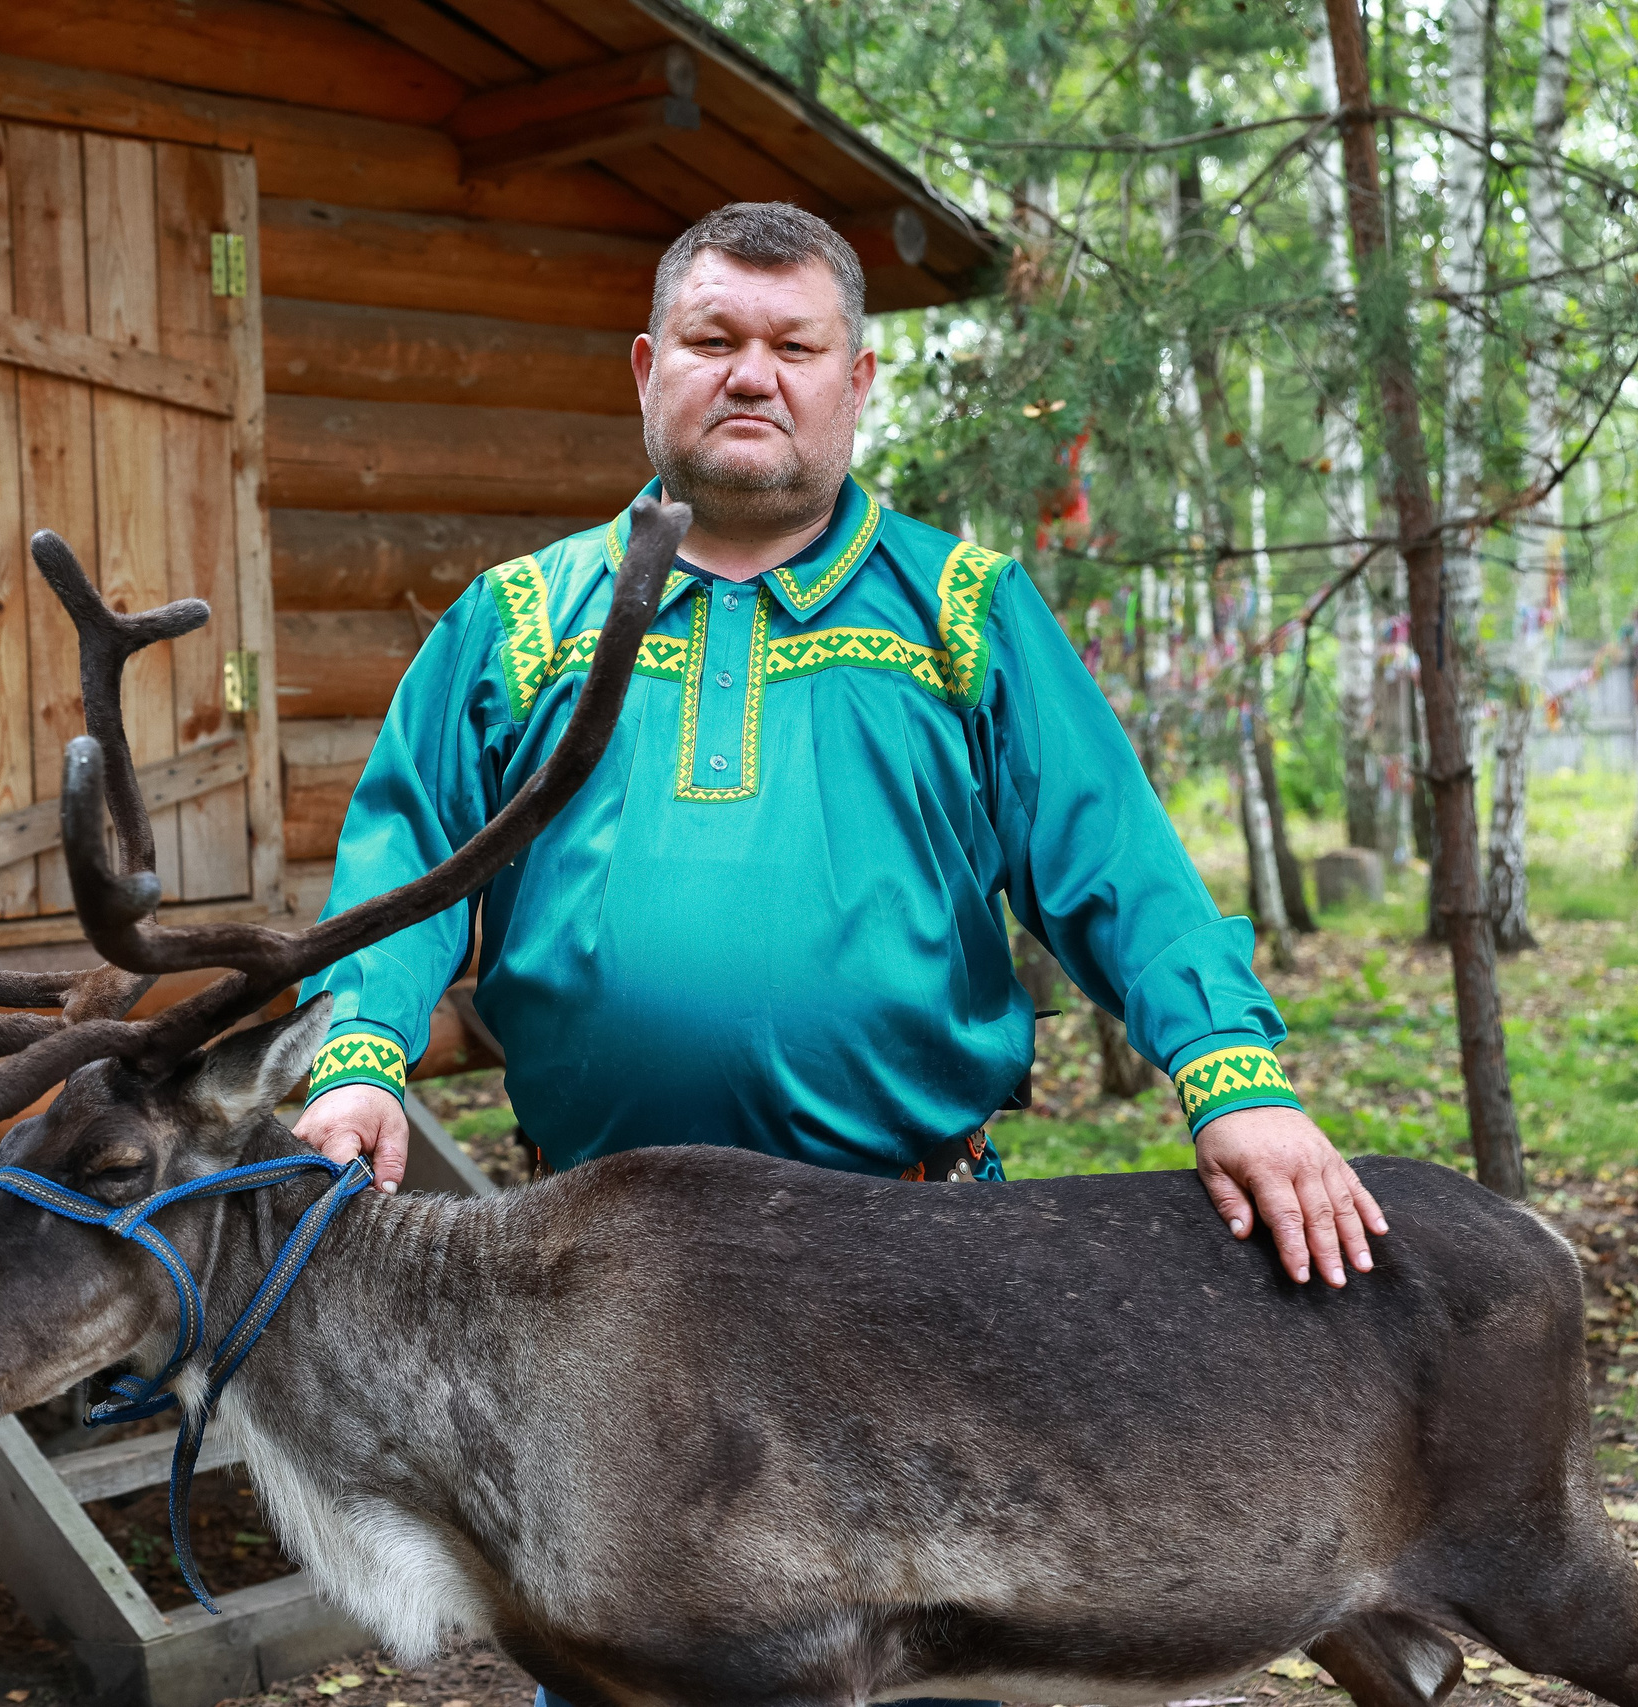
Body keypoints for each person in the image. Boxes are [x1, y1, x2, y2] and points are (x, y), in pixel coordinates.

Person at [291, 198, 1388, 1705]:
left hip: (910, 1264)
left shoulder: (961, 613)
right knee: (625, 1653)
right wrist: (358, 1065)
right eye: (714, 340)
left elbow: (1118, 867)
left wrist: (1232, 1074)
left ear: (857, 382)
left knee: (937, 1642)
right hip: (602, 1285)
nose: (754, 374)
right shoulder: (519, 622)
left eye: (795, 345)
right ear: (646, 365)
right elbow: (402, 868)